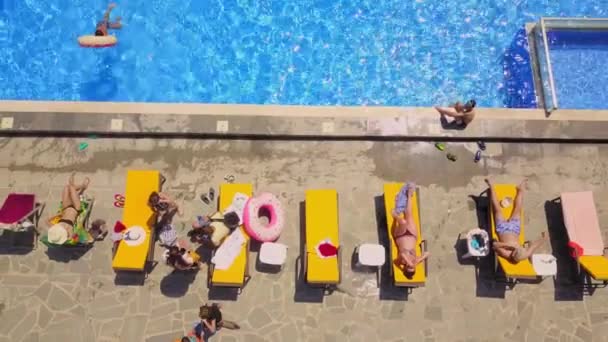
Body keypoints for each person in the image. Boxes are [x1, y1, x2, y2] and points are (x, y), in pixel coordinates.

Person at [485, 178, 548, 263]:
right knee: (518, 209)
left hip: (502, 228)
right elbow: (533, 246)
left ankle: (491, 186)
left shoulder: (507, 253)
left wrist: (508, 245)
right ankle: (521, 189)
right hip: (515, 228)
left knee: (497, 209)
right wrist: (544, 238)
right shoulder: (525, 254)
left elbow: (494, 245)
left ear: (513, 254)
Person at [391, 182, 429, 277]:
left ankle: (395, 216)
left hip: (400, 236)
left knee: (403, 222)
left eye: (408, 267)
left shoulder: (401, 262)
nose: (410, 266)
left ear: (405, 268)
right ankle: (409, 195)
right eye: (412, 267)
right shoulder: (416, 261)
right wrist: (417, 261)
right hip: (412, 235)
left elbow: (403, 255)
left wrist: (408, 262)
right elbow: (428, 253)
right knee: (409, 214)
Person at [48, 174, 90, 242]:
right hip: (76, 208)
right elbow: (72, 237)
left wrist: (57, 215)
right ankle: (82, 187)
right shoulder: (68, 231)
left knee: (66, 187)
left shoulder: (55, 228)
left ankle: (80, 189)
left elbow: (46, 221)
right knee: (71, 188)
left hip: (65, 208)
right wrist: (66, 238)